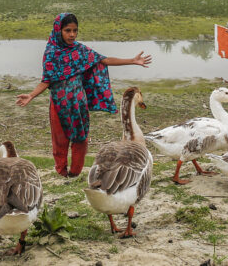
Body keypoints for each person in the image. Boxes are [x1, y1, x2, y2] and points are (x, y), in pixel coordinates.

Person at [15, 13, 152, 177]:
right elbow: (46, 81)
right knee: (60, 140)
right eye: (67, 30)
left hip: (79, 105)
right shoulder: (51, 53)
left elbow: (104, 60)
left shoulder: (80, 50)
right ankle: (61, 172)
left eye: (75, 30)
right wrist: (31, 95)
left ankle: (75, 173)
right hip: (58, 106)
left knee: (80, 139)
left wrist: (132, 60)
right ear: (59, 31)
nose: (72, 34)